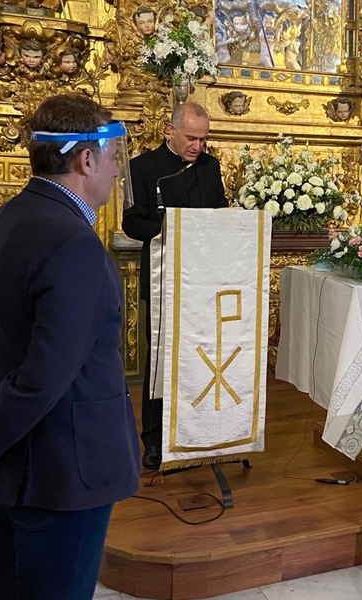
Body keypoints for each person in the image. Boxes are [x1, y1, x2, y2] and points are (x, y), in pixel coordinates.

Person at [0, 95, 140, 598]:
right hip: (63, 474)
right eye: (114, 161)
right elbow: (43, 378)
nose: (117, 175)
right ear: (86, 159)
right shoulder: (74, 243)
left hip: (13, 463)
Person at [122, 102, 228, 470]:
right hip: (164, 279)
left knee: (203, 356)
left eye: (203, 139)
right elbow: (132, 224)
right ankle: (153, 439)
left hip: (204, 278)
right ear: (170, 130)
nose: (198, 147)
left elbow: (220, 211)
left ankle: (198, 431)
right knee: (161, 359)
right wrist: (170, 230)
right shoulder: (142, 168)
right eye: (191, 138)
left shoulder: (209, 167)